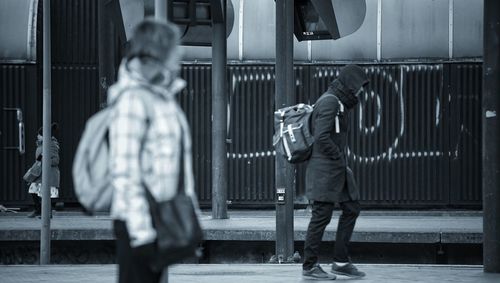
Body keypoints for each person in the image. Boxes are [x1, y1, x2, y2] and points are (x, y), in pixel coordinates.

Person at [108, 18, 198, 283]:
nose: (180, 54)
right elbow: (125, 171)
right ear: (158, 52)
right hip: (139, 222)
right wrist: (142, 233)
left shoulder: (162, 96)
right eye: (174, 48)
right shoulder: (132, 100)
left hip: (160, 217)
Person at [302, 65, 369, 280]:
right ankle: (309, 266)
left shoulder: (339, 102)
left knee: (352, 208)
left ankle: (340, 261)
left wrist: (340, 161)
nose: (360, 92)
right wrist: (339, 157)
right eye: (359, 87)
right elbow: (321, 137)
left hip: (337, 169)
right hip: (325, 170)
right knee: (321, 216)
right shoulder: (330, 101)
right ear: (350, 84)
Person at [27, 123, 60, 218]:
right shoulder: (41, 145)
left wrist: (44, 161)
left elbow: (56, 160)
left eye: (39, 134)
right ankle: (38, 210)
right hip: (40, 172)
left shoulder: (52, 145)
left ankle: (47, 213)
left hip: (49, 174)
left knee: (45, 194)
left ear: (44, 136)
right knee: (33, 189)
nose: (37, 136)